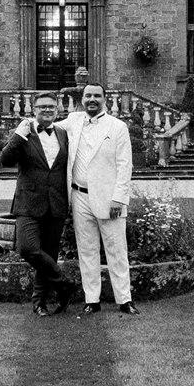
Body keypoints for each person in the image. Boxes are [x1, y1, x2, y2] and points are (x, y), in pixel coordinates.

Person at [59, 83, 137, 315]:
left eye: (97, 95)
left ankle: (124, 299)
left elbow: (125, 165)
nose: (92, 99)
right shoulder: (73, 121)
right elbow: (47, 125)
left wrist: (119, 199)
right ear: (82, 99)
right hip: (79, 195)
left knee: (116, 249)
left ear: (105, 99)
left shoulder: (118, 127)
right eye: (88, 95)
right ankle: (91, 300)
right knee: (87, 249)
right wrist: (26, 125)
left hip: (109, 198)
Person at [0, 94, 73, 315]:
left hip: (56, 204)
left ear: (58, 109)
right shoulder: (25, 132)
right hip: (28, 203)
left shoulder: (63, 133)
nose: (47, 110)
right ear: (34, 109)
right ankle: (64, 285)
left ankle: (39, 302)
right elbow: (5, 160)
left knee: (48, 253)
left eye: (51, 106)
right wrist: (18, 135)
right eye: (42, 107)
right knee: (27, 248)